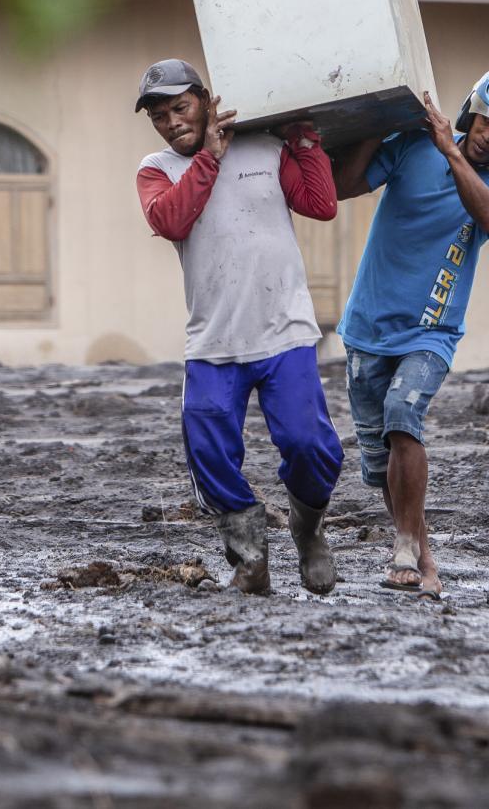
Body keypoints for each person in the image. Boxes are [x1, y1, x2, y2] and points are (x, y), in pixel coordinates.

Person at [331, 70, 489, 601]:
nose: (486, 136)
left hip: (430, 332)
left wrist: (452, 155)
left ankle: (408, 547)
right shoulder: (411, 144)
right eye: (485, 121)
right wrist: (375, 122)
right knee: (378, 463)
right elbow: (342, 188)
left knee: (404, 414)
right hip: (366, 327)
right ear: (471, 108)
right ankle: (419, 554)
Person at [135, 57, 343, 597]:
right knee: (208, 455)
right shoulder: (156, 170)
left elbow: (320, 205)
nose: (172, 122)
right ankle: (250, 559)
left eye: (180, 108)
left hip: (285, 330)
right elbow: (170, 220)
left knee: (310, 446)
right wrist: (207, 159)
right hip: (212, 340)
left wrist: (303, 138)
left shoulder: (264, 146)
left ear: (205, 99)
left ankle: (309, 526)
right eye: (159, 116)